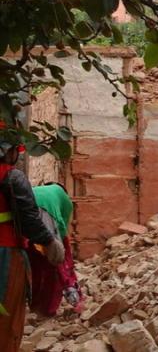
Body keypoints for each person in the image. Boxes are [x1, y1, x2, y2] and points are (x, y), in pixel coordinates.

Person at [0, 129, 65, 351]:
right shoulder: (11, 176)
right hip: (5, 254)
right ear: (8, 152)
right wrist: (49, 241)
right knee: (7, 315)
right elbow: (28, 216)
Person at [25, 183, 82, 317]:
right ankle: (51, 307)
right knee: (56, 265)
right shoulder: (64, 198)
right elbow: (62, 227)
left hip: (25, 213)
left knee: (34, 262)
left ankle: (35, 304)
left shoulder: (36, 189)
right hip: (45, 216)